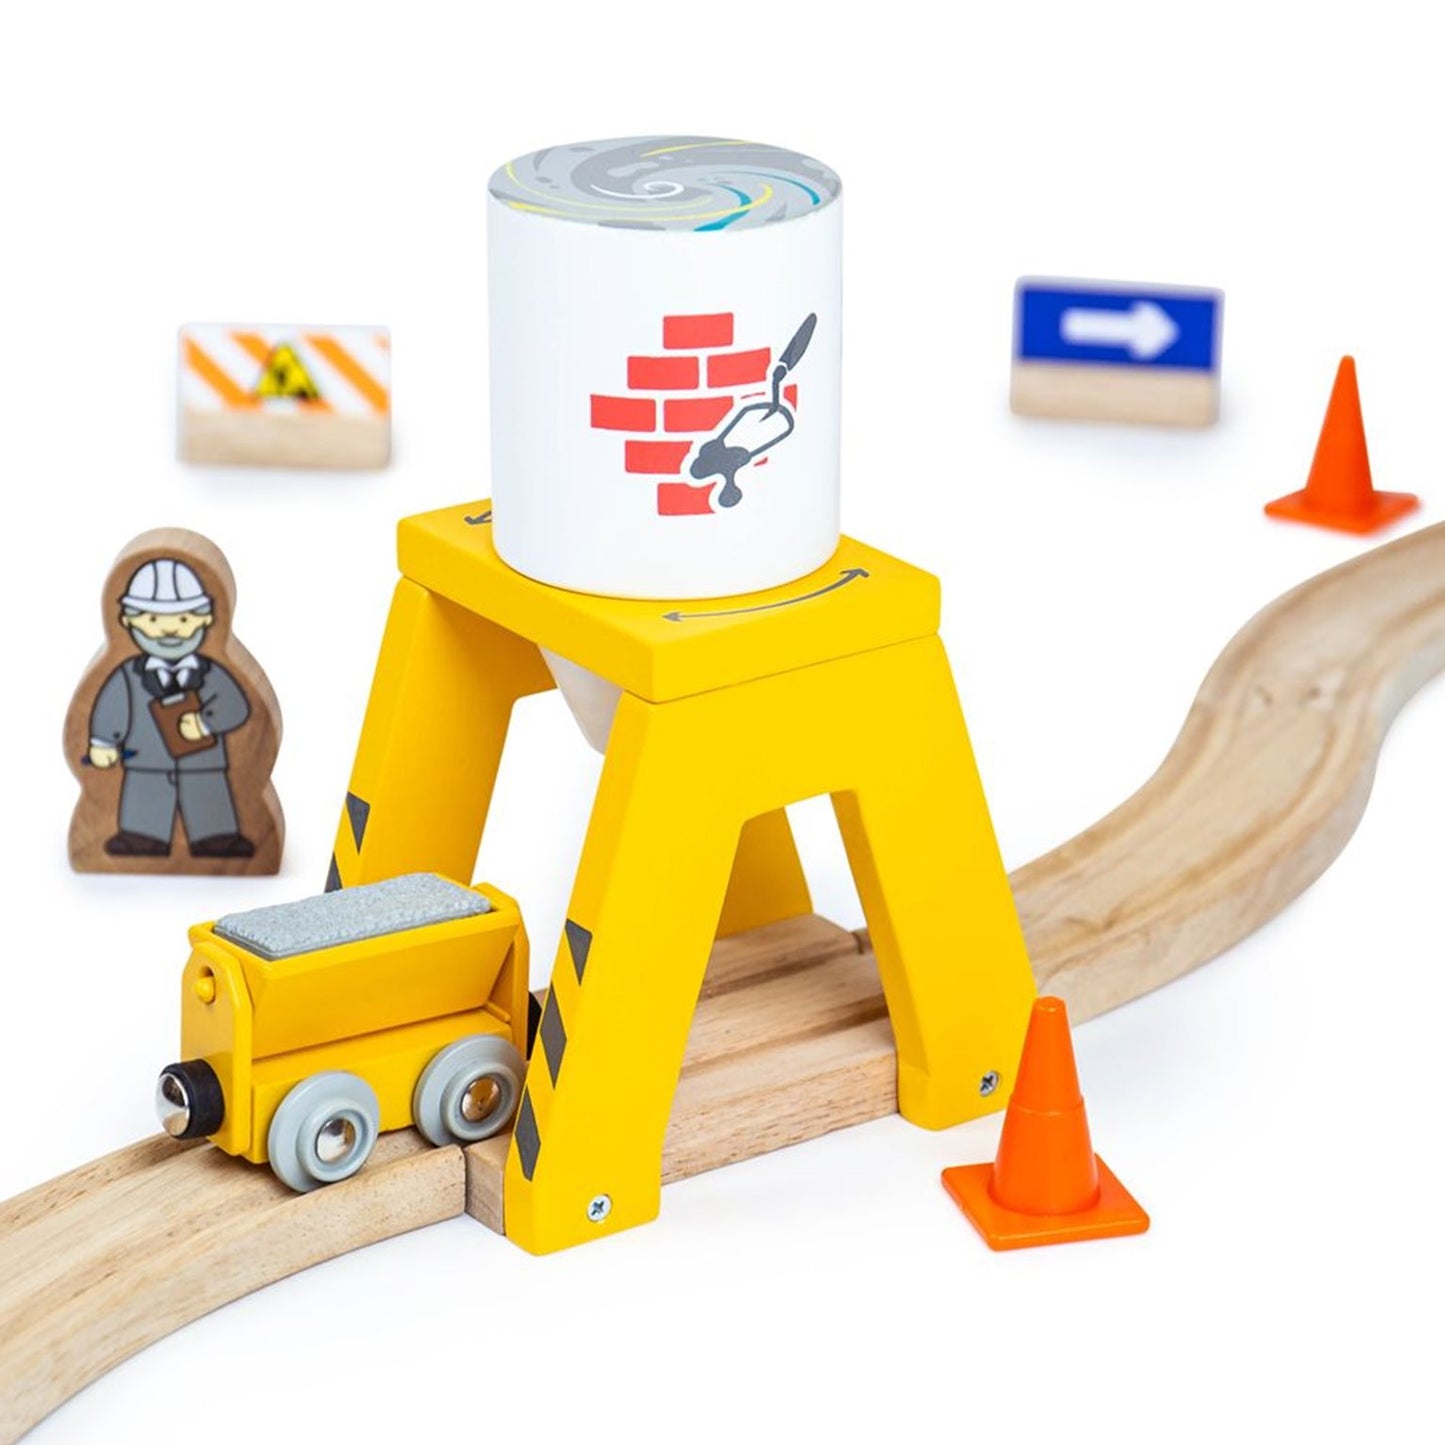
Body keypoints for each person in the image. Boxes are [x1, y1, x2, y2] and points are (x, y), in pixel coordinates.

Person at [87, 556, 256, 858]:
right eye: (153, 621)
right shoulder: (127, 675)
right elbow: (112, 707)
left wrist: (206, 722)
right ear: (128, 621)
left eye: (183, 620)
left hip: (203, 764)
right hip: (146, 764)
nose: (169, 631)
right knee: (144, 804)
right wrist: (104, 743)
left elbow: (236, 706)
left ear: (206, 619)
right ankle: (141, 837)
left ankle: (217, 838)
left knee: (209, 802)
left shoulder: (211, 673)